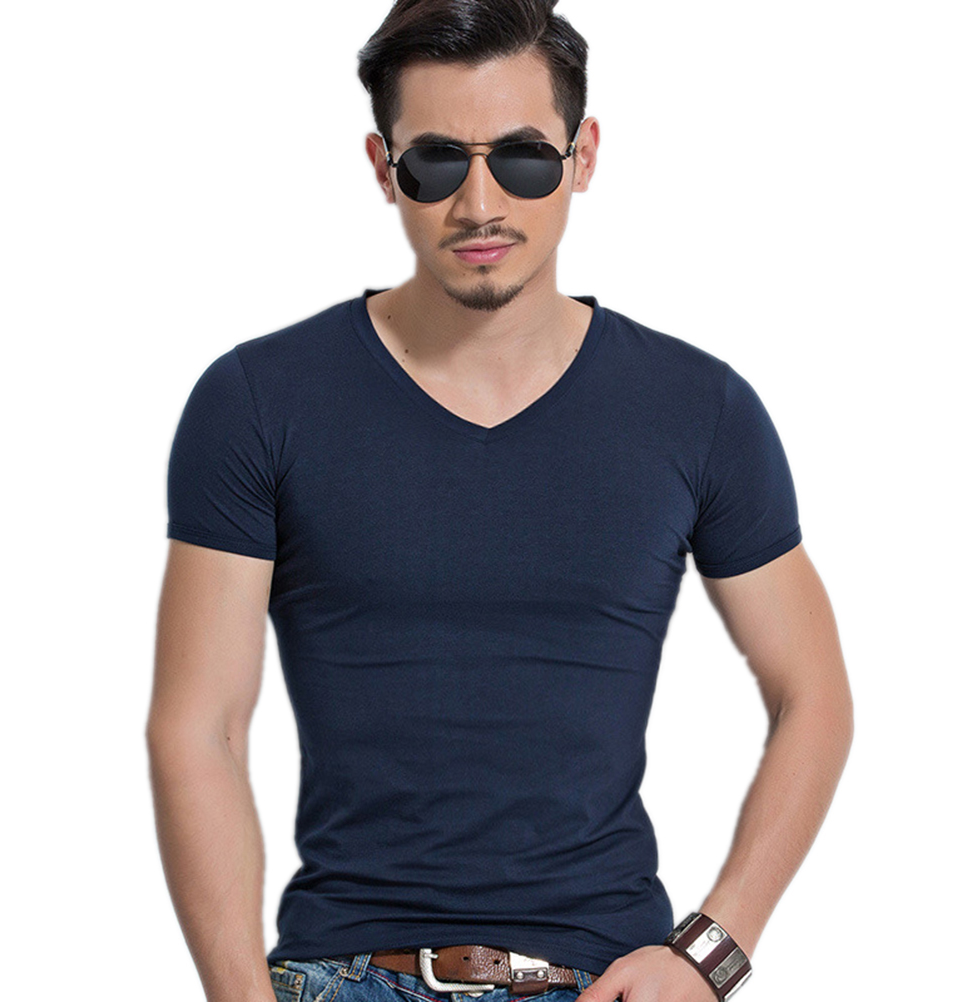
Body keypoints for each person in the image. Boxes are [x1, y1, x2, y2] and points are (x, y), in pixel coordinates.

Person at [146, 2, 854, 1001]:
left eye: (522, 159)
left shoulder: (700, 409)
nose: (479, 204)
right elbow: (200, 726)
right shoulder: (260, 400)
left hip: (604, 976)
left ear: (583, 154)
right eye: (436, 163)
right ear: (382, 166)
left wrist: (710, 955)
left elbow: (813, 694)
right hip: (342, 972)